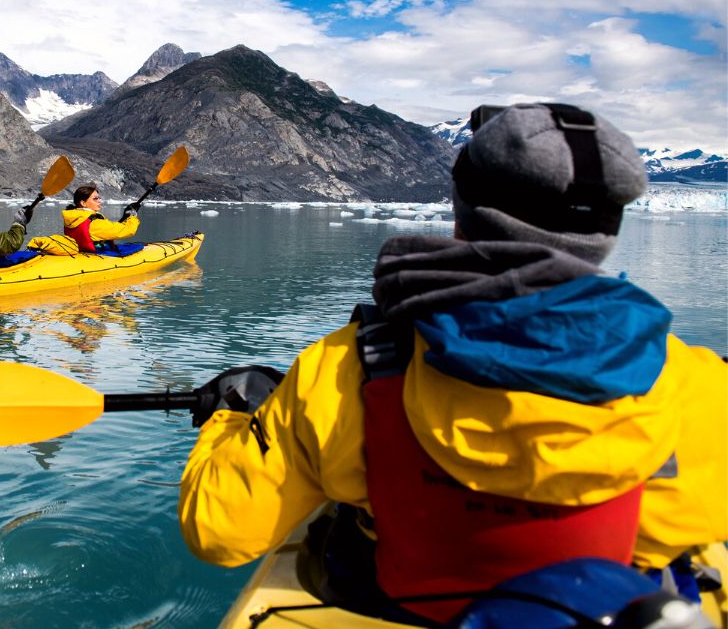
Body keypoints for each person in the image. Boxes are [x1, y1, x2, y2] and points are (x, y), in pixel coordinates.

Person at [179, 103, 727, 625]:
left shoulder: (348, 365)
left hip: (392, 603)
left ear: (462, 212)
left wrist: (232, 414)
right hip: (611, 611)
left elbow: (219, 533)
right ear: (607, 232)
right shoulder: (698, 383)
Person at [62, 184, 140, 253]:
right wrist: (132, 216)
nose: (99, 201)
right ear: (83, 203)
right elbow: (128, 230)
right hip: (97, 255)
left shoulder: (73, 218)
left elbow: (112, 228)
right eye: (95, 198)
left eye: (99, 198)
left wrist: (125, 217)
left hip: (82, 251)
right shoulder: (94, 223)